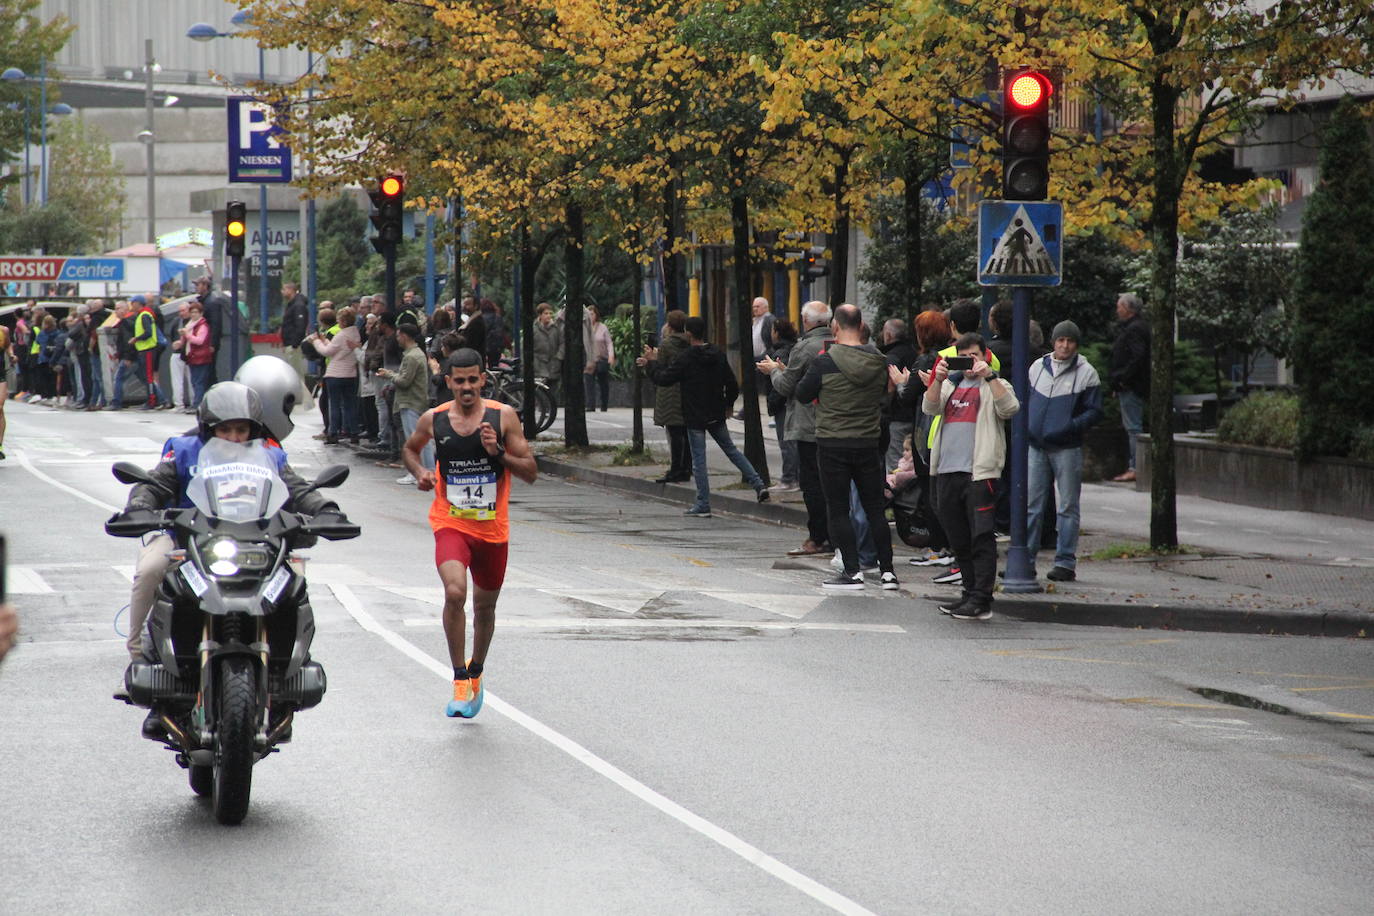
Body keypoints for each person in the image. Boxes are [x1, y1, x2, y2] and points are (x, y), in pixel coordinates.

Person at [110, 381, 347, 734]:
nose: (233, 437)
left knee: (293, 579)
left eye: (241, 429)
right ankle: (143, 657)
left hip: (258, 542)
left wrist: (326, 509)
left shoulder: (270, 455)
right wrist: (140, 505)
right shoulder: (183, 450)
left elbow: (297, 489)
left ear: (253, 429)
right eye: (225, 429)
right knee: (151, 568)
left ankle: (288, 667)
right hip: (190, 541)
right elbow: (156, 484)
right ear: (208, 428)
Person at [401, 349, 538, 718]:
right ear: (448, 382)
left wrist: (497, 453)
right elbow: (410, 450)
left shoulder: (502, 416)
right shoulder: (435, 419)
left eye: (472, 380)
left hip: (493, 530)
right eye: (458, 380)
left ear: (483, 379)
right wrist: (421, 474)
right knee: (454, 592)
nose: (466, 387)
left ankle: (477, 670)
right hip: (451, 522)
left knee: (485, 606)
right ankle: (459, 677)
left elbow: (530, 471)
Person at [794, 305, 899, 590]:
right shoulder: (880, 361)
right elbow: (883, 395)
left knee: (838, 509)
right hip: (868, 443)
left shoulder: (824, 362)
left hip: (832, 443)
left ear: (836, 328)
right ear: (861, 323)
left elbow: (802, 394)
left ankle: (852, 571)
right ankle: (887, 572)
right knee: (875, 509)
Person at [923, 332, 1020, 620]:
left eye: (974, 356)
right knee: (958, 538)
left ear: (984, 355)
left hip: (979, 473)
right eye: (962, 357)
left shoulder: (995, 384)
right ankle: (968, 593)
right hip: (947, 470)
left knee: (980, 536)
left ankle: (981, 598)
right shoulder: (951, 385)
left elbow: (1010, 408)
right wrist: (937, 379)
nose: (969, 363)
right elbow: (930, 406)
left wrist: (989, 377)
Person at [641, 316, 769, 517]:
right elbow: (732, 383)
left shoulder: (686, 358)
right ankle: (758, 484)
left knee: (699, 460)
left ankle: (703, 503)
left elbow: (664, 379)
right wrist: (728, 405)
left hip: (694, 414)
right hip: (716, 412)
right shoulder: (717, 354)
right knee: (731, 450)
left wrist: (652, 363)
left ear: (688, 334)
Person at [1026, 321, 1102, 582]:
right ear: (1053, 341)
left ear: (1076, 345)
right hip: (1036, 445)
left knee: (1068, 505)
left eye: (1070, 341)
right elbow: (1025, 399)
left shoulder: (1087, 373)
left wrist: (1071, 427)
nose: (1065, 345)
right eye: (1061, 340)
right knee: (1032, 506)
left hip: (1067, 447)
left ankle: (1065, 562)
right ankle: (1026, 559)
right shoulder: (1037, 367)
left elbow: (1094, 411)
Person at [758, 300, 832, 555]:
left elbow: (787, 385)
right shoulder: (837, 343)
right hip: (835, 422)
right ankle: (835, 536)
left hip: (808, 422)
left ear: (806, 321)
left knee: (812, 483)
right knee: (833, 483)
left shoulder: (805, 347)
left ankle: (817, 536)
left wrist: (774, 372)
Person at [382, 322, 433, 485]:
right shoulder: (417, 353)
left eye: (398, 335)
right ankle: (428, 469)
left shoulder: (411, 356)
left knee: (413, 440)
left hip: (410, 401)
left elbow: (404, 381)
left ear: (404, 335)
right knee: (420, 438)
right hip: (416, 400)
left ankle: (417, 472)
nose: (397, 338)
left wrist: (389, 375)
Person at [1110, 292, 1150, 482]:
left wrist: (1123, 380)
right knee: (1132, 426)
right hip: (1129, 385)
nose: (1117, 310)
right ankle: (1134, 465)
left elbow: (1137, 357)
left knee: (1133, 427)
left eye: (1119, 306)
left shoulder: (1134, 330)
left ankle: (1135, 467)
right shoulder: (1136, 328)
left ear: (1127, 309)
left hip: (1132, 387)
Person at [308, 304, 362, 444]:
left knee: (334, 405)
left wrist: (316, 341)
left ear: (343, 321)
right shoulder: (355, 333)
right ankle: (354, 432)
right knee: (350, 404)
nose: (338, 322)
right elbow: (336, 347)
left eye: (339, 320)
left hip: (335, 374)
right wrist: (325, 340)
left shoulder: (342, 335)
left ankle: (333, 433)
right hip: (350, 374)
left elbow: (327, 352)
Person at [649, 310, 691, 484]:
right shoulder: (690, 343)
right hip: (687, 392)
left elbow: (660, 369)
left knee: (674, 434)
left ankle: (675, 469)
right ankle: (687, 467)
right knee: (686, 433)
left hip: (670, 393)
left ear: (670, 326)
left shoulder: (666, 345)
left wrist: (651, 360)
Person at [879, 317, 918, 473]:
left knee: (896, 464)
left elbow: (890, 385)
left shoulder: (892, 356)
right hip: (914, 415)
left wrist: (884, 408)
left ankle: (897, 494)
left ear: (888, 335)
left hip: (897, 417)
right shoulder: (914, 353)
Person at [766, 318, 800, 491]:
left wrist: (773, 402)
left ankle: (789, 479)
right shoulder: (794, 348)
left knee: (787, 442)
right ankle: (796, 477)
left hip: (783, 404)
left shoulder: (781, 353)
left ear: (777, 333)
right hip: (789, 402)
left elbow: (780, 382)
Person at [129, 295, 167, 409]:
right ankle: (159, 399)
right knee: (147, 376)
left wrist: (136, 339)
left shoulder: (144, 315)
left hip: (148, 349)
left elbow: (148, 332)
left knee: (149, 377)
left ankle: (152, 400)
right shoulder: (143, 314)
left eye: (133, 303)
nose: (131, 305)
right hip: (144, 349)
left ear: (138, 303)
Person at [180, 301, 214, 407]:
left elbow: (200, 340)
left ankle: (197, 404)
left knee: (198, 382)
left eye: (196, 312)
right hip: (193, 357)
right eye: (192, 312)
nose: (193, 314)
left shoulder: (202, 326)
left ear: (201, 313)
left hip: (201, 358)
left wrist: (187, 335)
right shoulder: (190, 325)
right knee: (194, 382)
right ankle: (196, 403)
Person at [583, 304, 614, 411]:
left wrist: (611, 356)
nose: (590, 316)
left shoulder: (603, 327)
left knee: (603, 383)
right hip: (589, 360)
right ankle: (590, 405)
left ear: (596, 315)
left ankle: (604, 405)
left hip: (602, 359)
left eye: (592, 314)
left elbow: (609, 343)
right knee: (588, 383)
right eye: (588, 314)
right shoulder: (584, 328)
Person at [280, 280, 311, 388]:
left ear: (290, 290)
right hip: (290, 344)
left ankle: (302, 399)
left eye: (284, 289)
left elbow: (300, 326)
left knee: (296, 374)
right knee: (293, 372)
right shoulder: (292, 305)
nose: (282, 292)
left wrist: (294, 344)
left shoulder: (298, 306)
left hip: (294, 346)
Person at [531, 303, 563, 396]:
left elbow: (562, 343)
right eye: (546, 313)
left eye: (550, 313)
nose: (548, 316)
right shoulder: (534, 329)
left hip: (554, 364)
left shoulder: (556, 328)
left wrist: (559, 356)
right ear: (540, 315)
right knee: (540, 393)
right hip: (538, 365)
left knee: (552, 392)